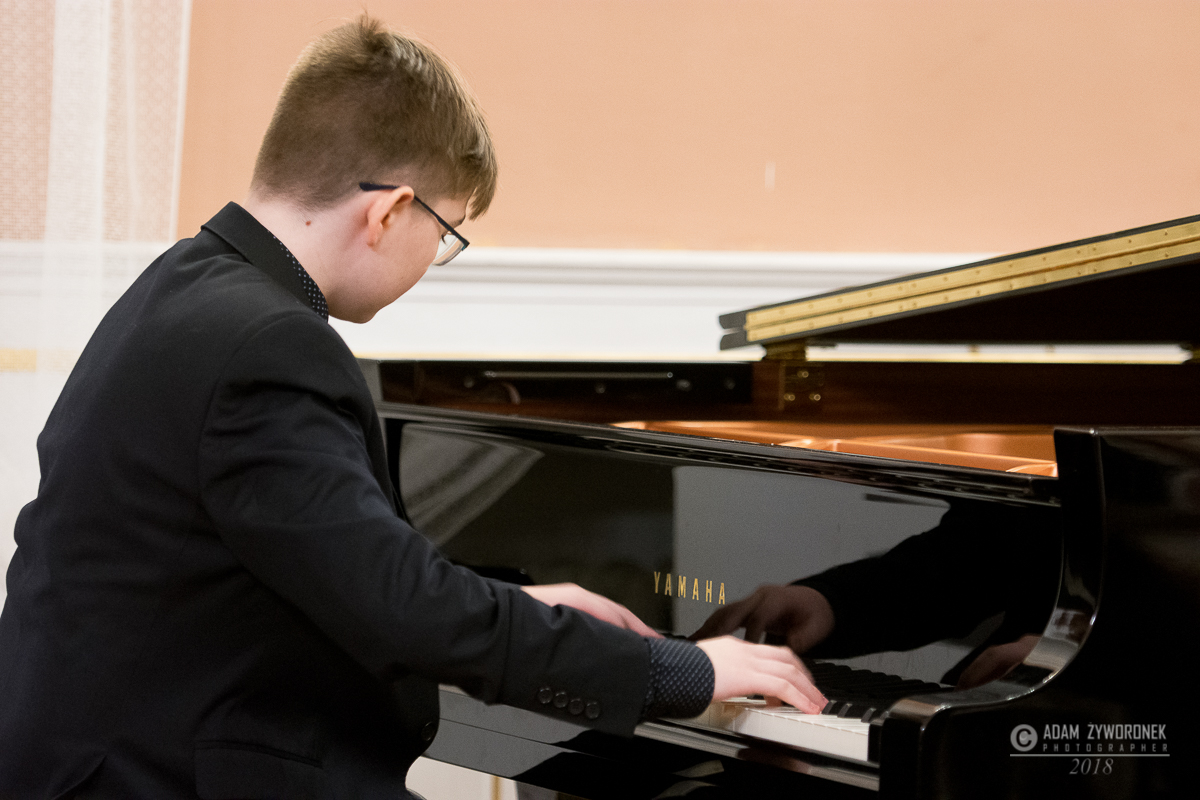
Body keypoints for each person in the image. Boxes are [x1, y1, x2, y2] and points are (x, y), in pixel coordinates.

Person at [0, 16, 824, 800]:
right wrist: (683, 671)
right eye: (446, 233)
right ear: (391, 210)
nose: (435, 258)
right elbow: (405, 609)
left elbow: (343, 572)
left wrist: (521, 607)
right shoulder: (268, 346)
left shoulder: (180, 288)